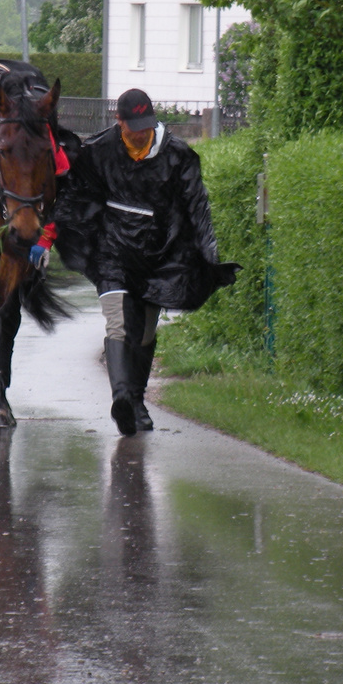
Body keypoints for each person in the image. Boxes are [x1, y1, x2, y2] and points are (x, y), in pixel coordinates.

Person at [55, 88, 237, 436]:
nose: (140, 132)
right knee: (118, 325)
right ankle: (121, 397)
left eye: (146, 125)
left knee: (145, 332)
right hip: (112, 254)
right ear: (118, 121)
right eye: (133, 125)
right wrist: (58, 232)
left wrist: (208, 256)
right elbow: (74, 193)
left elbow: (198, 208)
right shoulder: (98, 151)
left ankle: (136, 401)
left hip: (158, 257)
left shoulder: (178, 156)